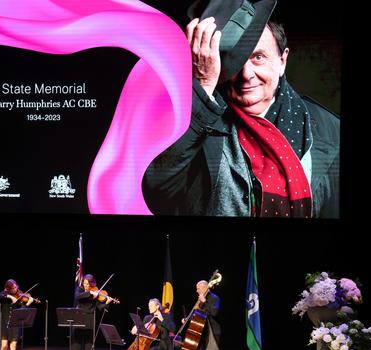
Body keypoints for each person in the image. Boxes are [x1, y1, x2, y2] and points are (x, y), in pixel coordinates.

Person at [143, 0, 340, 218]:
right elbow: (158, 192)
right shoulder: (197, 122)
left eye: (258, 57)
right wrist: (203, 85)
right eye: (234, 61)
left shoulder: (329, 129)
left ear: (282, 60)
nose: (246, 75)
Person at [70, 274, 113, 350]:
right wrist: (90, 293)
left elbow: (100, 307)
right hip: (78, 320)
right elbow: (77, 297)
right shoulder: (79, 290)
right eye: (84, 283)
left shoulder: (96, 292)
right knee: (76, 346)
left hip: (90, 321)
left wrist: (107, 303)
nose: (86, 286)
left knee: (89, 347)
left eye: (88, 284)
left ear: (92, 284)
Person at [0, 279, 35, 350]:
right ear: (8, 289)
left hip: (15, 324)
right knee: (4, 346)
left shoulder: (20, 296)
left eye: (16, 287)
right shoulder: (4, 295)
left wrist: (28, 303)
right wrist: (10, 297)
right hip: (4, 323)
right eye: (13, 288)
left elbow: (22, 310)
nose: (15, 289)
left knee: (13, 346)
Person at [182, 280, 221, 350]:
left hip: (211, 332)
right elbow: (197, 315)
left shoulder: (214, 298)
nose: (197, 291)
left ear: (204, 288)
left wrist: (204, 302)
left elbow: (214, 312)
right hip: (200, 330)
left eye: (198, 288)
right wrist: (187, 319)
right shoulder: (200, 300)